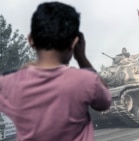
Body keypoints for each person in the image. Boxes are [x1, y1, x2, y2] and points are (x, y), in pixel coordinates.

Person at [0, 2, 111, 141]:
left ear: (31, 40)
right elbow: (105, 102)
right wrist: (82, 58)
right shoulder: (86, 80)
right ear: (75, 43)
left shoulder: (7, 84)